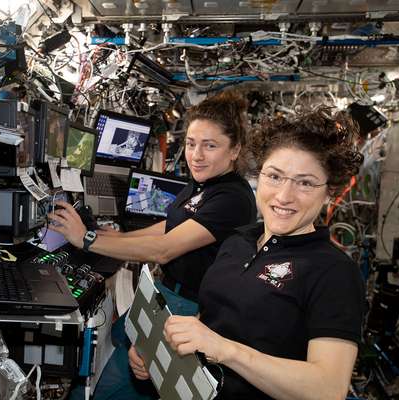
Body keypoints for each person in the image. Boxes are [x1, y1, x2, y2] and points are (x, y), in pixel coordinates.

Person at [129, 107, 366, 400]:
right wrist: (160, 347)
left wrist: (225, 350)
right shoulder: (238, 241)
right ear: (259, 176)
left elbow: (327, 389)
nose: (283, 196)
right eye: (275, 176)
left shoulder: (334, 272)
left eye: (305, 183)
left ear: (329, 192)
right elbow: (213, 318)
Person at [48, 90, 257, 399]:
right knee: (118, 359)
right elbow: (167, 227)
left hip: (187, 308)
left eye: (210, 146)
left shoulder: (232, 198)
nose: (196, 155)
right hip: (165, 295)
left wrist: (87, 239)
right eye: (191, 143)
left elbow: (164, 249)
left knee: (114, 387)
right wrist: (111, 237)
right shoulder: (203, 184)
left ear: (235, 150)